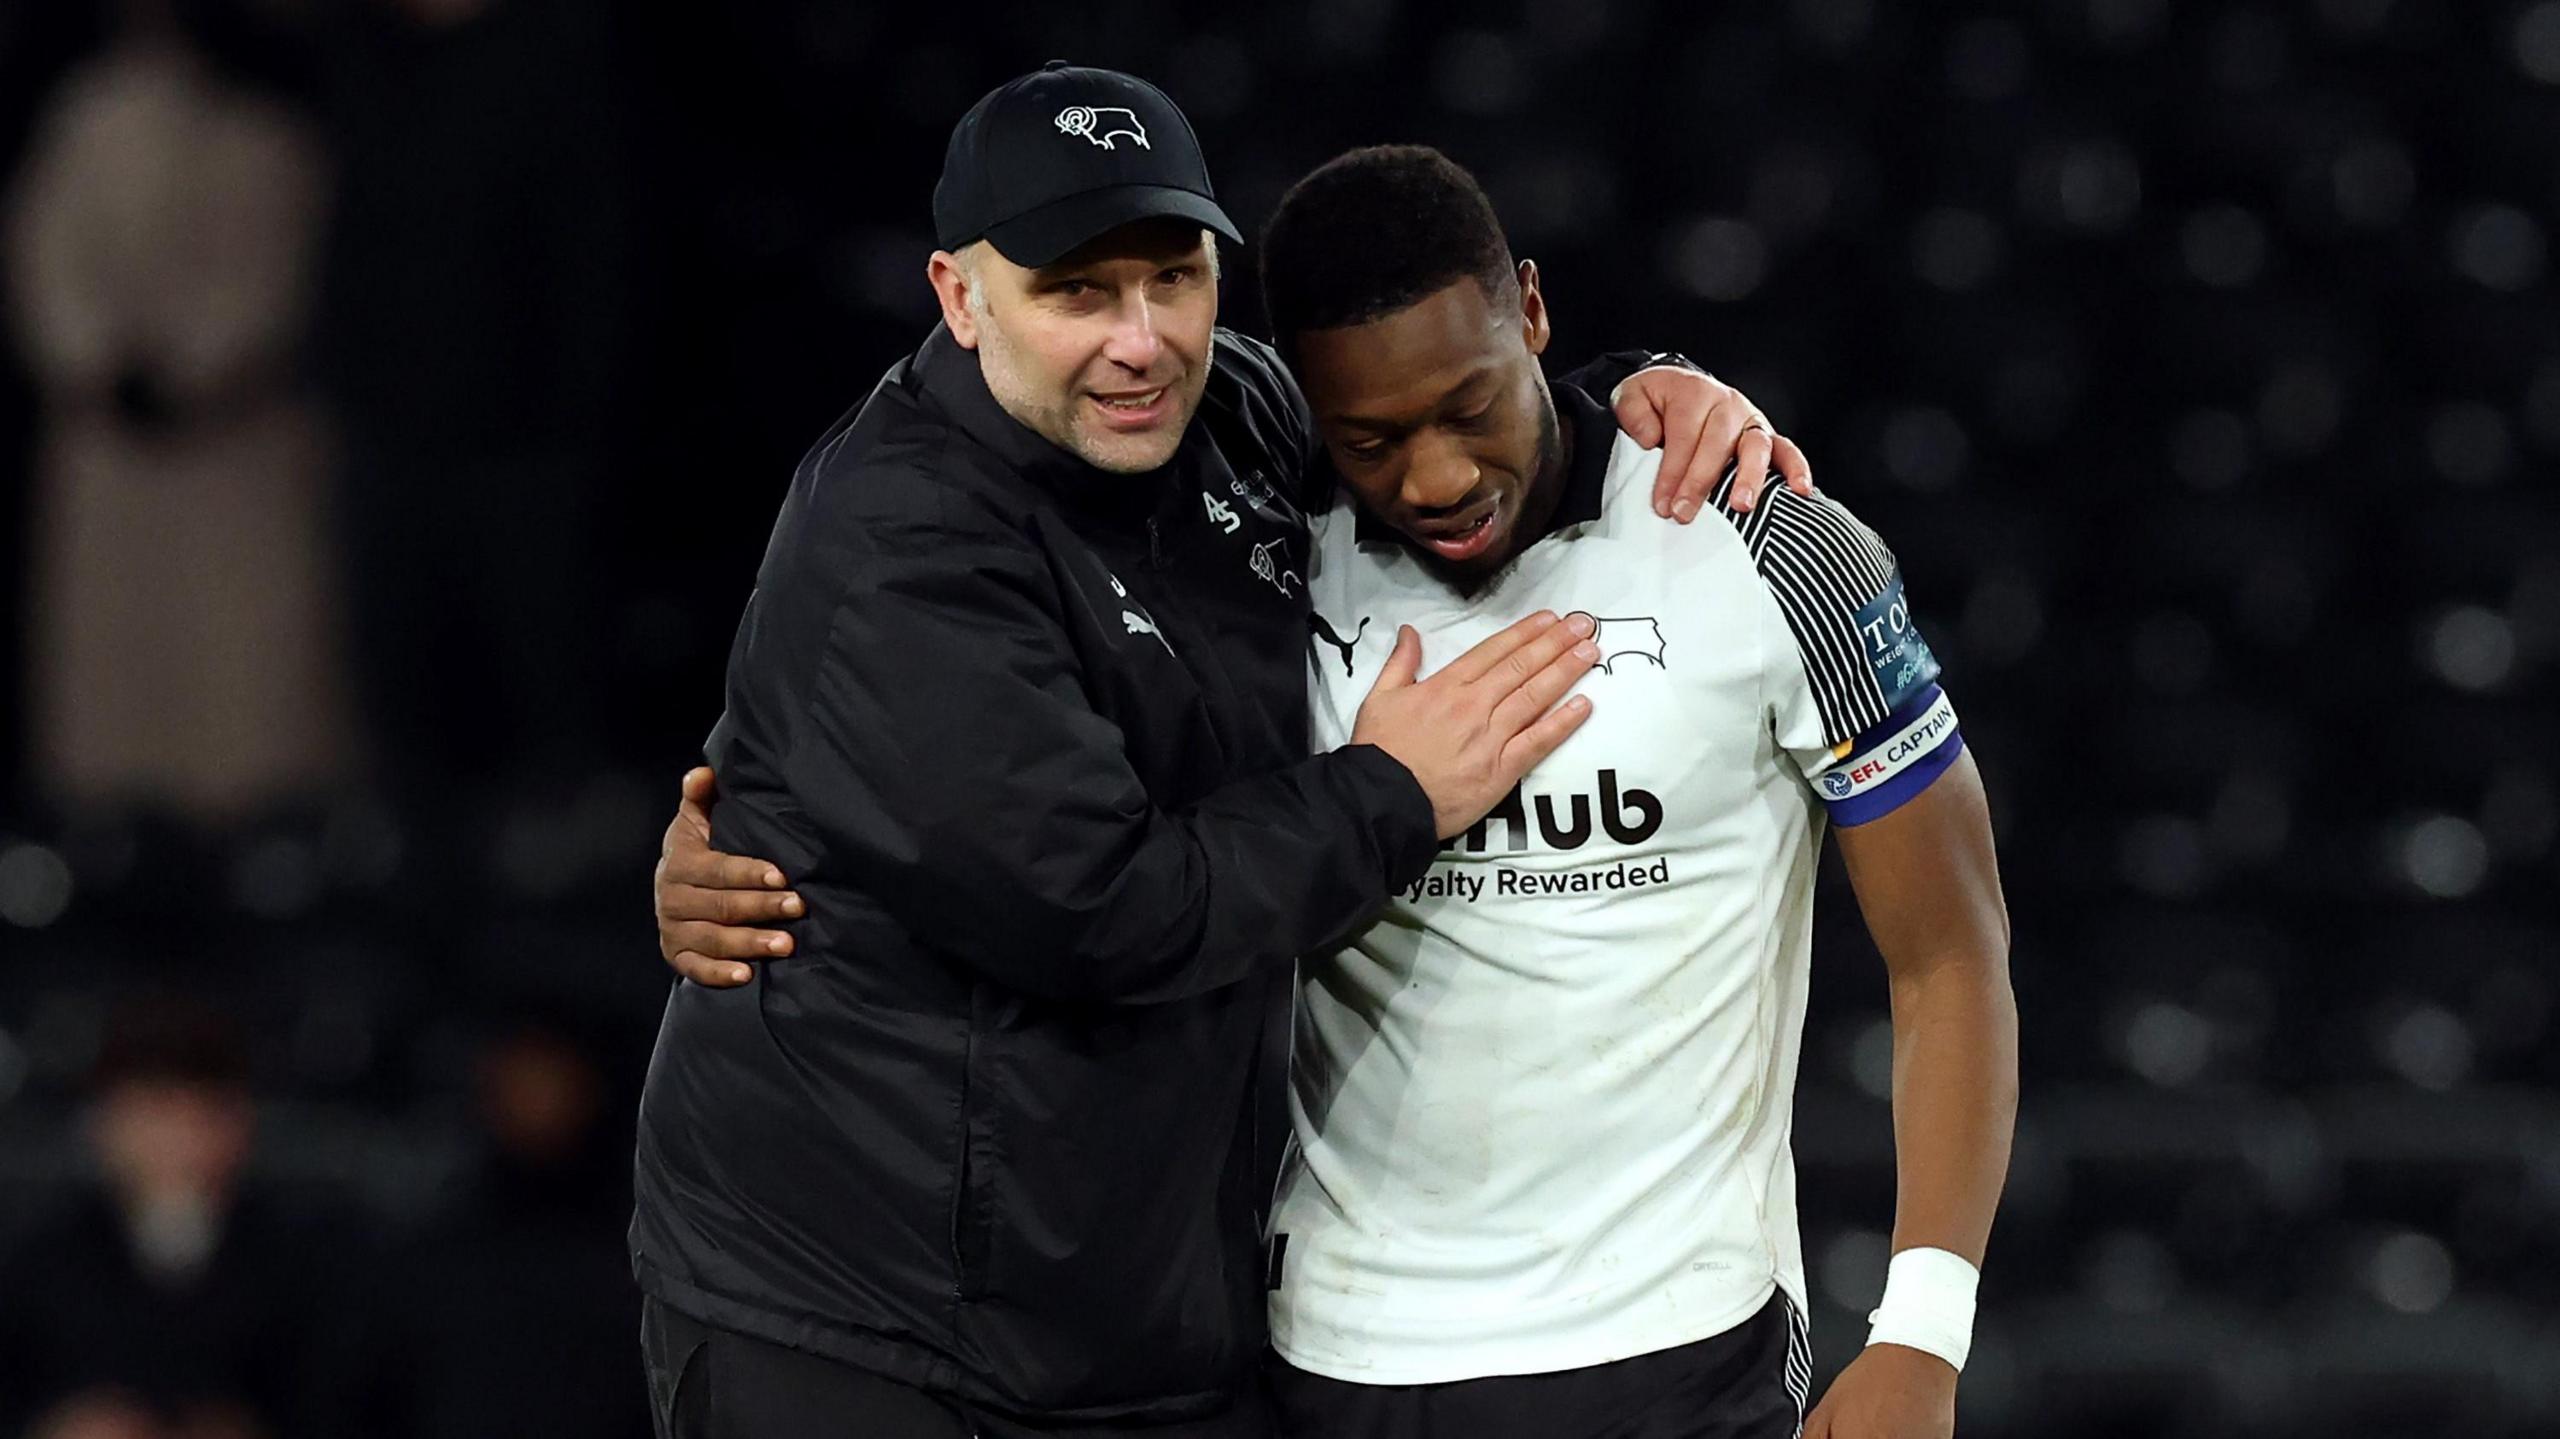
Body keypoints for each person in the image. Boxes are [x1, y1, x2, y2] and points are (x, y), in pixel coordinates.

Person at [659, 145, 2017, 1439]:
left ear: (1533, 311)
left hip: (1674, 1354)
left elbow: (1952, 951)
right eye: (1371, 439)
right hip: (1315, 1358)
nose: (1435, 478)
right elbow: (1037, 819)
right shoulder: (1261, 536)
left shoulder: (1768, 552)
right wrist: (748, 841)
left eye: (1470, 409)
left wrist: (1923, 1330)